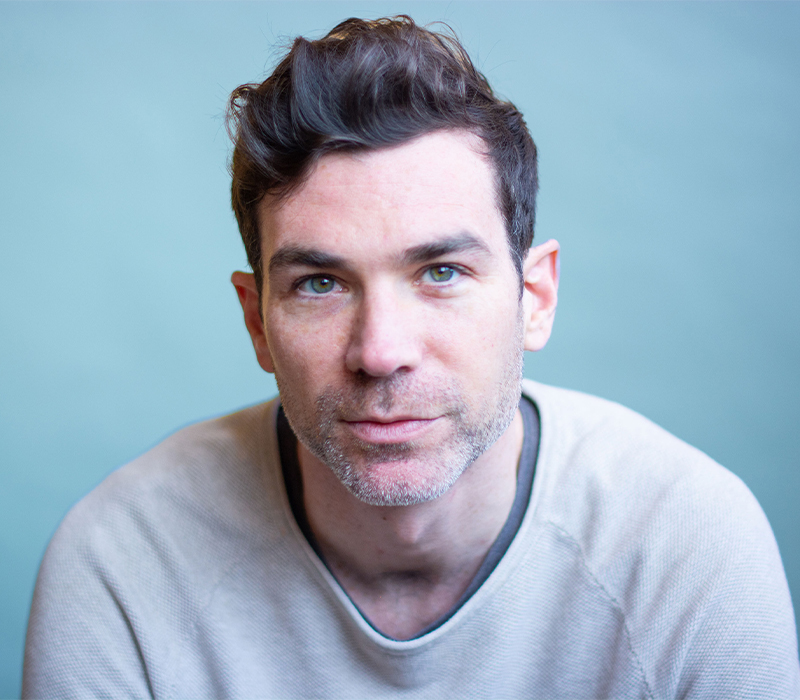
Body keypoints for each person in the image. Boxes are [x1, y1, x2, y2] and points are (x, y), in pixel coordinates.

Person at [23, 16, 799, 699]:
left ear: (535, 298)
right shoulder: (122, 563)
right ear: (258, 323)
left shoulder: (686, 548)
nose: (380, 352)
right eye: (320, 283)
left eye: (441, 272)